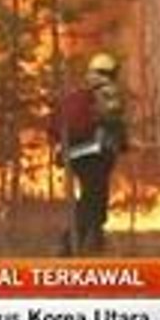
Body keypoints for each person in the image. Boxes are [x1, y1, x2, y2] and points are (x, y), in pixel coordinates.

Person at [56, 52, 127, 254]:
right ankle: (74, 242)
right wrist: (122, 142)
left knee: (90, 195)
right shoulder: (108, 91)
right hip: (96, 153)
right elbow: (113, 120)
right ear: (111, 72)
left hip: (75, 154)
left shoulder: (82, 93)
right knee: (94, 197)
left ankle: (89, 240)